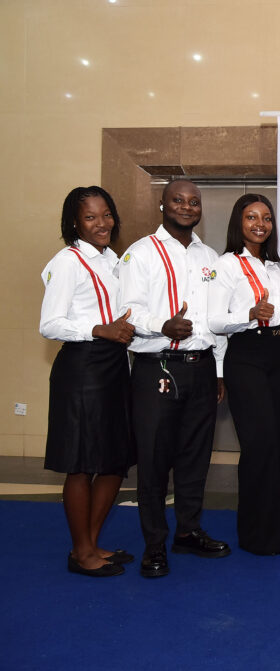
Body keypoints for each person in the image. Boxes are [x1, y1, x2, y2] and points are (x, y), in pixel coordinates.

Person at [119, 179, 230, 578]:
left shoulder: (210, 257)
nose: (186, 206)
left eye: (194, 202)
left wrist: (218, 370)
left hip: (202, 367)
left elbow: (216, 320)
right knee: (154, 460)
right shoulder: (140, 253)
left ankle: (188, 531)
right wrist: (161, 324)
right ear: (162, 205)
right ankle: (154, 545)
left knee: (195, 457)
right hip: (157, 367)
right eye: (178, 200)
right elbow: (126, 311)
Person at [40, 186, 135, 577]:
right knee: (81, 464)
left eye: (106, 214)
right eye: (90, 217)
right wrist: (98, 329)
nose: (101, 223)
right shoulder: (68, 261)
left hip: (115, 366)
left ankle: (91, 543)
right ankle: (81, 553)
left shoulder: (114, 260)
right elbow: (49, 324)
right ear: (75, 223)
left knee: (114, 460)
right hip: (82, 368)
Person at [209, 194, 280, 555]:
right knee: (258, 446)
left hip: (274, 357)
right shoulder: (226, 264)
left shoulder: (273, 267)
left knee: (278, 446)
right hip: (245, 357)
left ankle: (272, 529)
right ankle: (254, 534)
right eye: (252, 217)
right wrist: (249, 313)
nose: (260, 224)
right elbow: (214, 320)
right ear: (238, 223)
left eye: (266, 218)